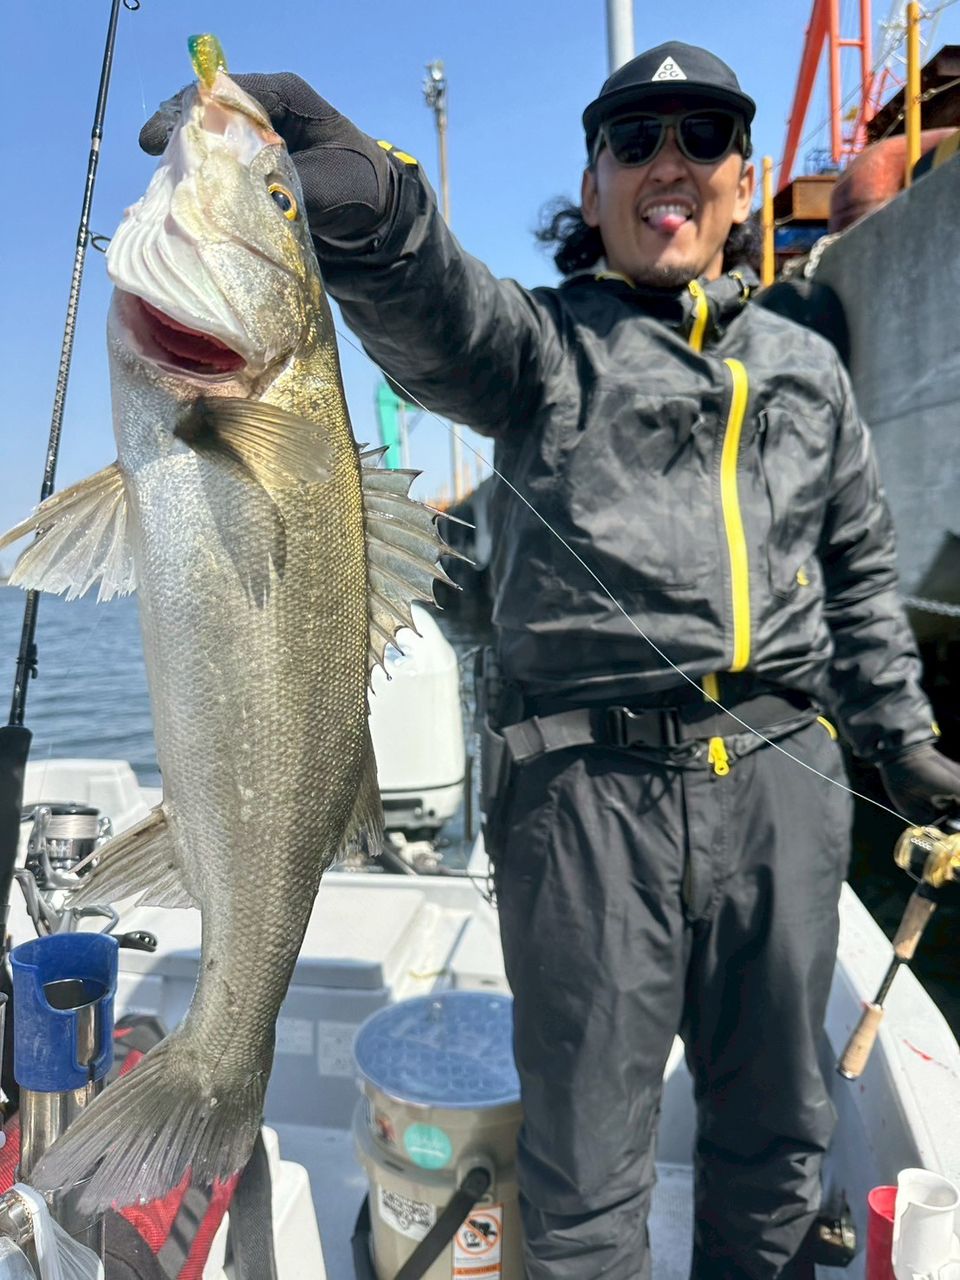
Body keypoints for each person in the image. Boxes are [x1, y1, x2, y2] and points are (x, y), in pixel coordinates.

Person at [144, 40, 960, 1280]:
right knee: (583, 1181)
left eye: (704, 135)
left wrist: (902, 739)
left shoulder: (806, 368)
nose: (670, 161)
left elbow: (859, 566)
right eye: (635, 140)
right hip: (584, 808)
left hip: (786, 789)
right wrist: (378, 205)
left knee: (783, 1147)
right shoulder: (540, 349)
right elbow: (443, 317)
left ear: (744, 179)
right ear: (593, 189)